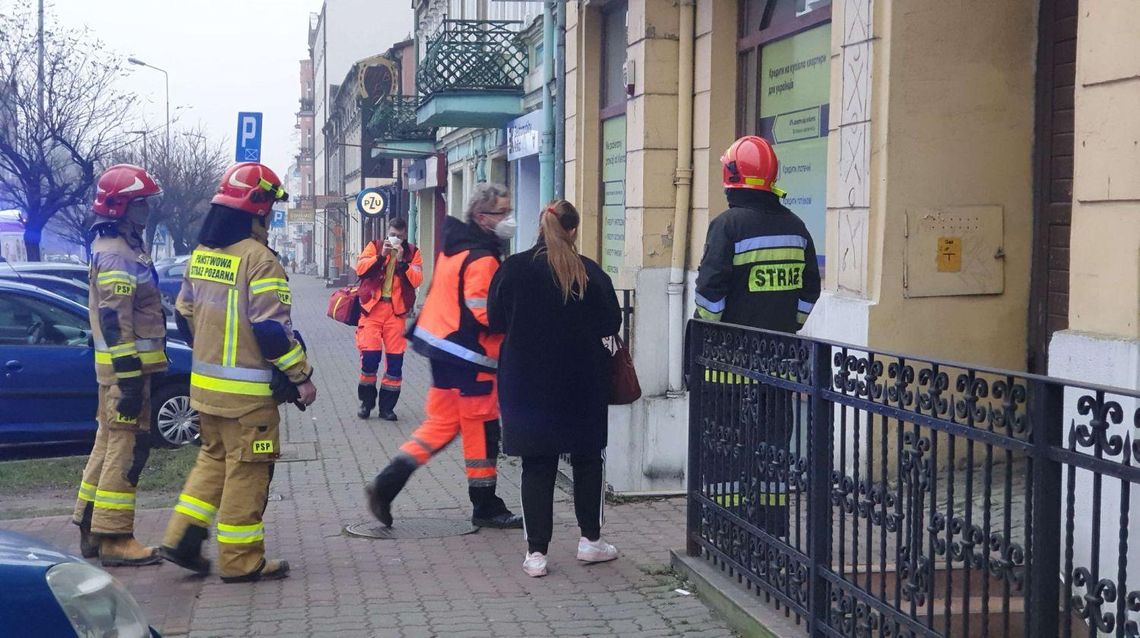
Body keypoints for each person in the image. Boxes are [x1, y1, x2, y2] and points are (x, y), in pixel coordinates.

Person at [159, 162, 317, 583]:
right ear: (259, 209)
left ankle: (180, 538)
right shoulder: (260, 260)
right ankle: (241, 559)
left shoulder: (203, 256)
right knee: (248, 471)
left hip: (206, 393)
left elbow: (184, 315)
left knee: (213, 461)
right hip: (249, 399)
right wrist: (301, 377)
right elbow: (270, 331)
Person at [366, 183, 522, 530]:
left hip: (443, 351)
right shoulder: (482, 258)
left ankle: (387, 484)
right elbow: (485, 313)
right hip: (472, 356)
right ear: (482, 217)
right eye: (502, 213)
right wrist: (517, 322)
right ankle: (486, 505)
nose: (508, 219)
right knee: (481, 430)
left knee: (442, 424)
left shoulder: (455, 248)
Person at [693, 135, 821, 536]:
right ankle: (771, 527)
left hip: (727, 363)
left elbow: (710, 292)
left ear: (730, 176)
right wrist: (788, 325)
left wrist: (708, 334)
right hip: (779, 359)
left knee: (723, 444)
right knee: (772, 444)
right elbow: (809, 291)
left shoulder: (726, 226)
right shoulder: (796, 227)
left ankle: (724, 525)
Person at [488, 200, 623, 578]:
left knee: (537, 465)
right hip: (582, 382)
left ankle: (536, 555)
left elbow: (495, 320)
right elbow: (611, 322)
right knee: (587, 459)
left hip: (527, 383)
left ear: (540, 225)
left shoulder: (512, 270)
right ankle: (591, 542)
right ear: (574, 230)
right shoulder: (589, 272)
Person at [71, 164, 167, 567]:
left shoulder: (116, 249)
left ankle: (90, 526)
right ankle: (115, 538)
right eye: (141, 205)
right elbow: (115, 321)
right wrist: (129, 382)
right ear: (122, 208)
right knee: (126, 453)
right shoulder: (117, 256)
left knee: (107, 446)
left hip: (116, 375)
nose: (147, 212)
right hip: (125, 376)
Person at [354, 217, 423, 420]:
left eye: (399, 237)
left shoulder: (412, 252)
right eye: (392, 235)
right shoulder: (374, 246)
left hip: (396, 313)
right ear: (387, 232)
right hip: (372, 310)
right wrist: (380, 256)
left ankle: (387, 408)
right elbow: (360, 269)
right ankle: (366, 403)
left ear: (405, 237)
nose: (395, 239)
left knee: (395, 363)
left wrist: (402, 262)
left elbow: (417, 279)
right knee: (370, 358)